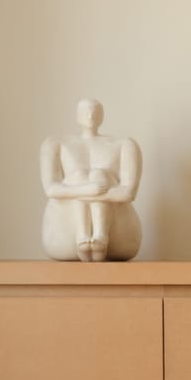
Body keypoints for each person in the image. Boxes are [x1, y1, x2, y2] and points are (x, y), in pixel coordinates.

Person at [41, 99, 143, 262]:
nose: (90, 115)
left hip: (119, 236)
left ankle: (100, 236)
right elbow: (51, 189)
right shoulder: (55, 144)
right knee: (79, 175)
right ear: (76, 115)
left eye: (95, 111)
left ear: (102, 115)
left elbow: (128, 193)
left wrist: (95, 190)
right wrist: (86, 190)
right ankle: (83, 236)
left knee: (100, 175)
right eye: (85, 111)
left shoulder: (125, 144)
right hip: (64, 235)